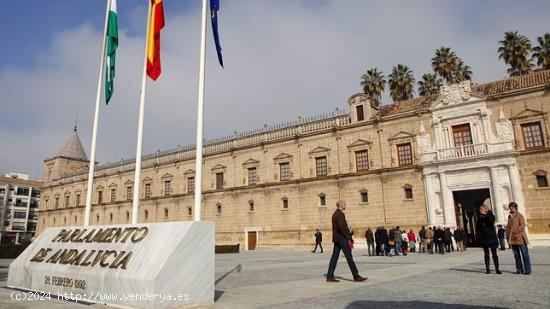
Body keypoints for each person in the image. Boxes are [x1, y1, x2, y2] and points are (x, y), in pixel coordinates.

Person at [326, 200, 367, 282]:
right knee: (349, 257)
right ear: (341, 205)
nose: (346, 205)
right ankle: (356, 276)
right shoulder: (340, 214)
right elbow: (341, 227)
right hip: (342, 239)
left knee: (334, 257)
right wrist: (348, 237)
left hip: (337, 239)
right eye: (345, 204)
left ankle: (330, 276)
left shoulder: (335, 214)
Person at [506, 202, 531, 275]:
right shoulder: (509, 216)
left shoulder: (520, 215)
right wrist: (507, 234)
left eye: (512, 207)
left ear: (515, 208)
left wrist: (514, 231)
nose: (511, 208)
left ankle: (527, 270)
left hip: (520, 237)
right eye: (510, 207)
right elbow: (508, 226)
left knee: (524, 254)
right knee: (516, 255)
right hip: (512, 239)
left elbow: (522, 226)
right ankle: (519, 269)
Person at [477, 204, 501, 274]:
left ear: (486, 209)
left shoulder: (491, 216)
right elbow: (478, 228)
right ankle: (487, 268)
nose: (480, 210)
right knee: (486, 254)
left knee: (494, 254)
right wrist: (479, 237)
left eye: (481, 209)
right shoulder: (479, 218)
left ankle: (497, 269)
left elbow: (490, 222)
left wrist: (486, 215)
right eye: (480, 209)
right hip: (484, 238)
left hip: (491, 237)